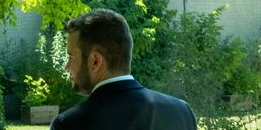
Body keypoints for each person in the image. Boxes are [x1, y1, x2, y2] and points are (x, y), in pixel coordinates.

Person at [50, 8, 197, 130]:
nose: (67, 67)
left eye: (71, 57)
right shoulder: (182, 112)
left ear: (95, 61)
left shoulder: (69, 125)